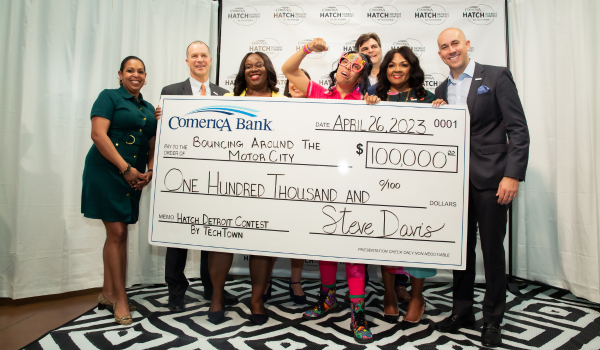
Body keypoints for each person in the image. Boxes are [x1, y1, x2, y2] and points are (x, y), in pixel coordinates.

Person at [431, 28, 529, 348]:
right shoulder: (441, 88)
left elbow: (518, 129)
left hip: (492, 180)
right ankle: (462, 311)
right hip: (455, 185)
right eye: (444, 47)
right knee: (460, 254)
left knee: (492, 252)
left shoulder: (497, 77)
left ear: (467, 45)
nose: (451, 50)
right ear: (440, 53)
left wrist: (512, 175)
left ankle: (493, 319)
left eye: (455, 43)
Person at [282, 38, 374, 344]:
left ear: (361, 76)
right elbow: (287, 69)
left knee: (353, 252)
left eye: (355, 66)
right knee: (325, 243)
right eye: (345, 62)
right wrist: (308, 49)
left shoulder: (368, 101)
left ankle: (357, 313)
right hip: (322, 182)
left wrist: (373, 107)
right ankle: (327, 298)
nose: (347, 68)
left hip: (355, 185)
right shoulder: (320, 93)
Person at [154, 41, 238, 313]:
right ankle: (176, 292)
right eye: (194, 56)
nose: (199, 60)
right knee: (177, 235)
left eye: (203, 55)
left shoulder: (225, 95)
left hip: (214, 175)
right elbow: (166, 134)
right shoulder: (170, 92)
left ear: (210, 60)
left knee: (210, 235)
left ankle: (213, 289)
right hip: (181, 175)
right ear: (187, 61)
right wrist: (161, 120)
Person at [208, 52, 285, 325]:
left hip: (268, 185)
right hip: (230, 182)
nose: (254, 69)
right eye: (248, 66)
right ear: (243, 72)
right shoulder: (228, 101)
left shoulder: (284, 103)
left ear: (268, 70)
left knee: (262, 242)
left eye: (259, 65)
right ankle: (217, 296)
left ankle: (256, 299)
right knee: (222, 239)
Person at [364, 46, 437, 324]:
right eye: (392, 65)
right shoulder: (375, 97)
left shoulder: (427, 97)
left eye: (403, 65)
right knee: (387, 237)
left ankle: (417, 297)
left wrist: (441, 112)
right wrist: (367, 107)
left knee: (419, 239)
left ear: (412, 68)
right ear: (385, 70)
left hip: (420, 183)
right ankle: (390, 295)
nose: (397, 69)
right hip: (383, 181)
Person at [82, 56, 157, 325]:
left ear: (145, 76)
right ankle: (121, 300)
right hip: (107, 171)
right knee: (117, 232)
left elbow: (152, 141)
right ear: (120, 74)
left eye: (140, 71)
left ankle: (107, 292)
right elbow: (98, 135)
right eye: (130, 71)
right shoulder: (109, 97)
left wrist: (148, 170)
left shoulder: (148, 108)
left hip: (133, 176)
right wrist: (126, 169)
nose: (135, 75)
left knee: (118, 234)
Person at [356, 32, 411, 305]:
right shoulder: (359, 79)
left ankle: (399, 284)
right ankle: (361, 285)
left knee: (394, 223)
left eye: (374, 46)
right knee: (366, 223)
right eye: (364, 48)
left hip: (397, 161)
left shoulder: (394, 73)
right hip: (367, 161)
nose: (370, 50)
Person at [262, 69, 312, 305]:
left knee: (298, 234)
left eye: (298, 81)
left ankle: (295, 281)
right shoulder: (275, 107)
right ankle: (265, 280)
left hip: (303, 180)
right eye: (290, 82)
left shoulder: (320, 109)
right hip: (276, 177)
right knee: (271, 231)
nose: (294, 85)